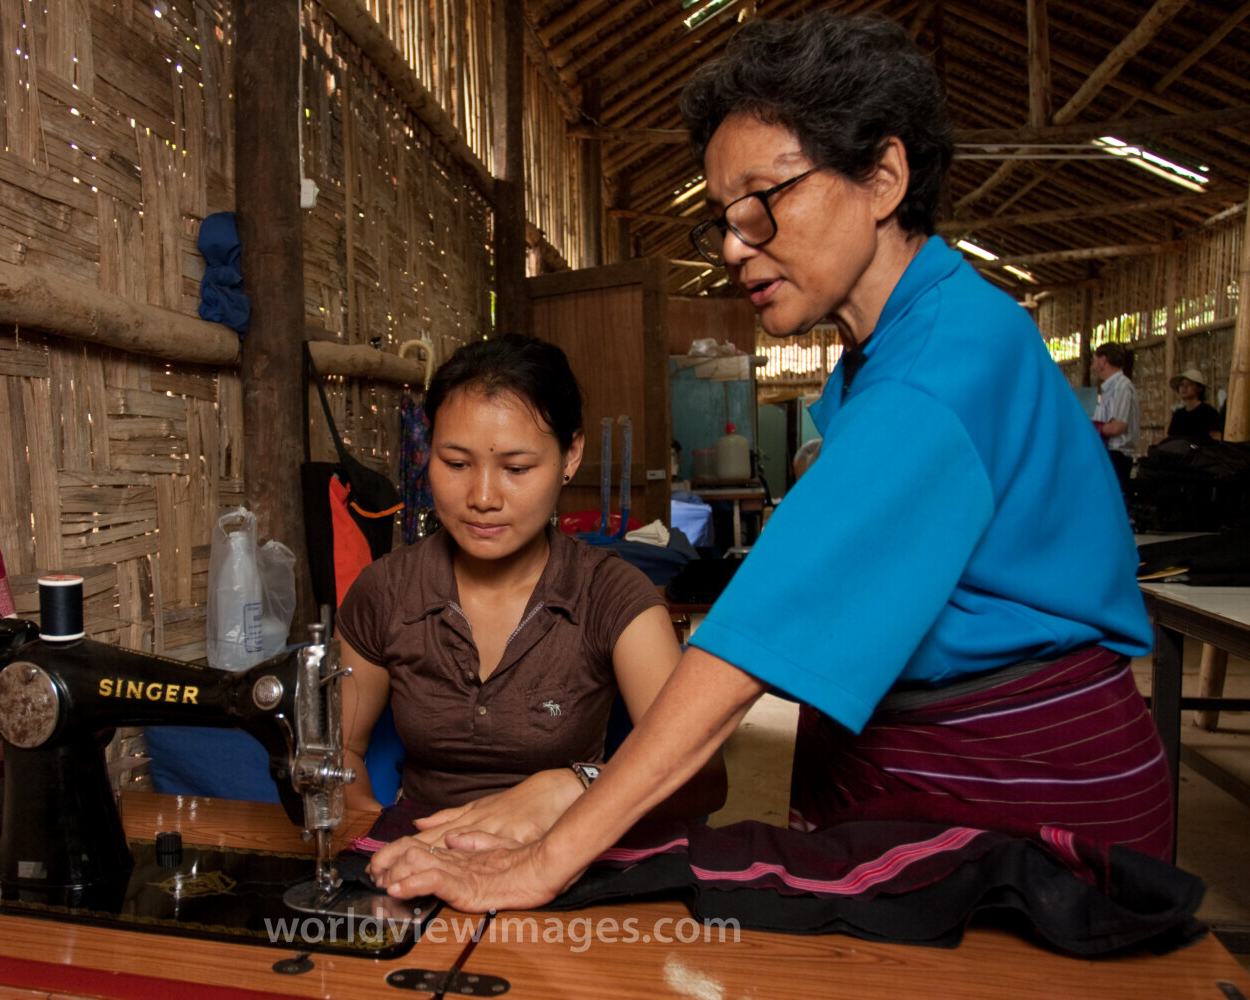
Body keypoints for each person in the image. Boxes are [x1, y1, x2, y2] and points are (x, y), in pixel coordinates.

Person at [368, 12, 1167, 913]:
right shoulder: (895, 350)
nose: (733, 244)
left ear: (884, 178)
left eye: (761, 202)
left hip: (1013, 782)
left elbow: (738, 660)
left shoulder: (938, 370)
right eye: (723, 218)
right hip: (906, 758)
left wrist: (545, 858)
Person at [337, 334, 726, 854]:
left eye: (517, 469)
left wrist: (576, 785)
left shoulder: (611, 596)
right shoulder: (386, 592)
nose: (482, 498)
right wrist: (379, 847)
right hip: (420, 858)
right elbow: (338, 753)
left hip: (566, 860)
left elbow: (703, 779)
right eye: (456, 463)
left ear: (571, 455)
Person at [1092, 342, 1141, 487]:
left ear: (1103, 360)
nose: (1093, 367)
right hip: (1108, 453)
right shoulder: (1109, 388)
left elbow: (1118, 427)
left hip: (1117, 455)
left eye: (1094, 361)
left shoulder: (1122, 387)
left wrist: (1092, 427)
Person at [1166, 367, 1222, 440]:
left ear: (1200, 388)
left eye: (1190, 384)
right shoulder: (1178, 414)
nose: (1184, 388)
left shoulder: (1209, 412)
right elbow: (1171, 439)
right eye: (1182, 384)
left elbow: (1216, 438)